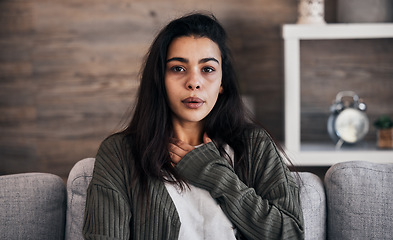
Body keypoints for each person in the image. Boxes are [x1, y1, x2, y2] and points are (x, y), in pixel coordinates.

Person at [83, 12, 304, 240]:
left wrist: (216, 176)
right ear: (160, 79)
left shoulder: (253, 144)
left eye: (207, 69)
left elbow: (291, 234)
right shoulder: (119, 153)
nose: (194, 83)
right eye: (178, 68)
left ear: (222, 83)